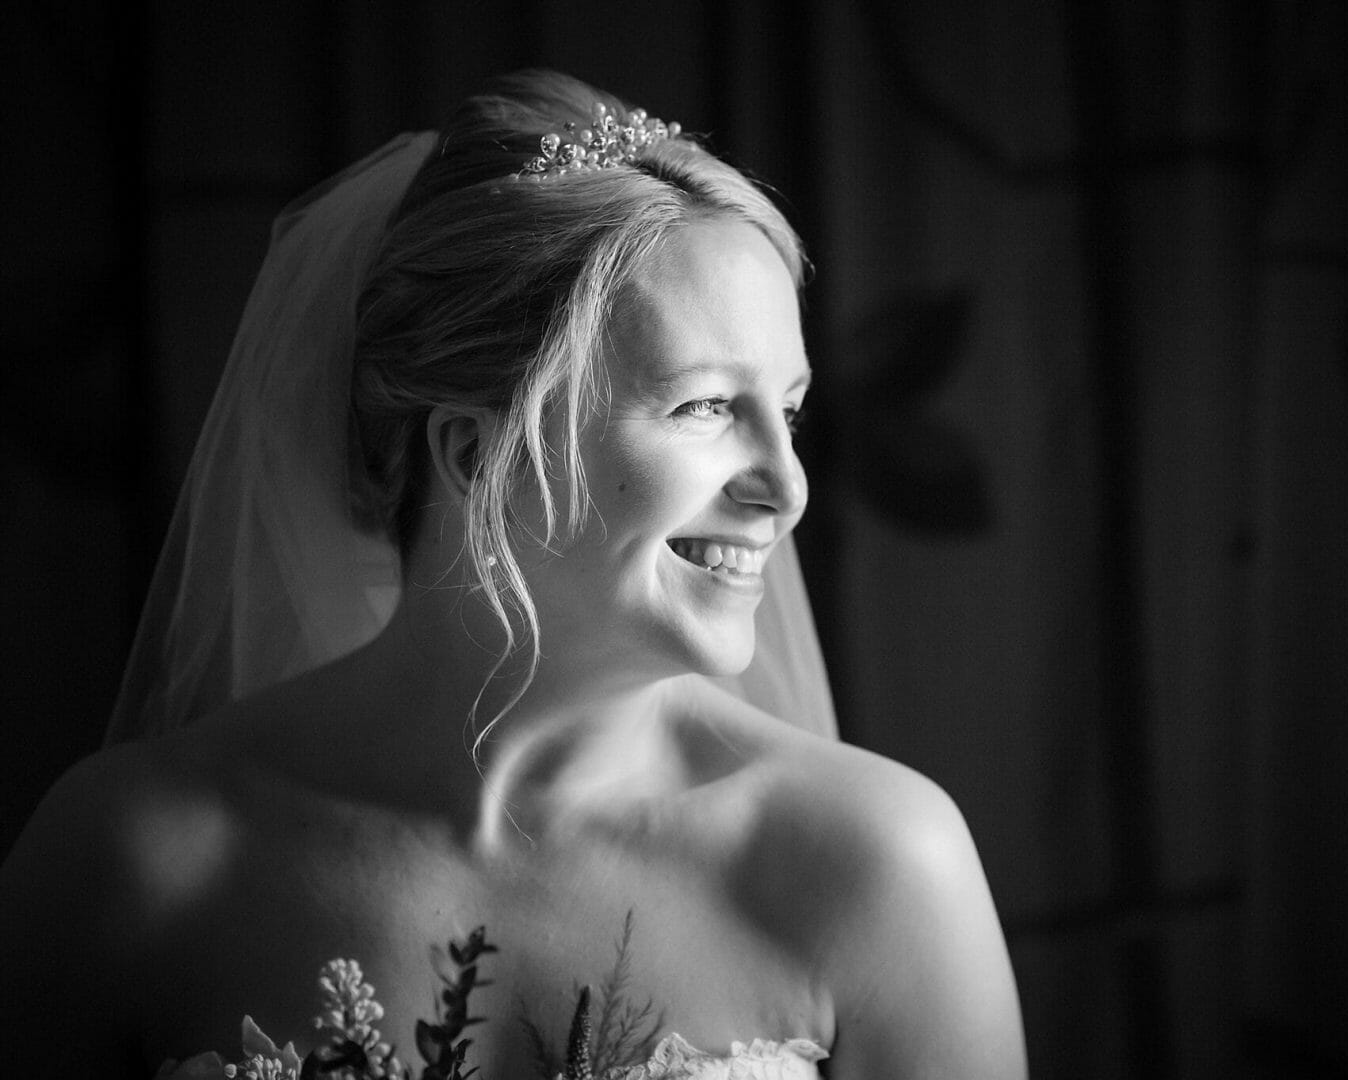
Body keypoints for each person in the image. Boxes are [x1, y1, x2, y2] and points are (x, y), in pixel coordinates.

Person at [0, 70, 1026, 1079]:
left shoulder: (876, 864)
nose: (786, 488)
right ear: (472, 453)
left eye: (787, 411)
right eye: (706, 407)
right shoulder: (130, 864)